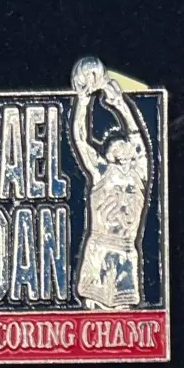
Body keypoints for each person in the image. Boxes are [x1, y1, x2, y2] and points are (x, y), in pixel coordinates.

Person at [70, 56, 152, 309]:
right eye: (116, 145)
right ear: (108, 154)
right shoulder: (102, 172)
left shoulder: (139, 174)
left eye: (125, 143)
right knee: (93, 312)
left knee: (123, 314)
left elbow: (137, 136)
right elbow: (81, 140)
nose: (123, 144)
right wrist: (83, 102)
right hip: (100, 249)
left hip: (126, 251)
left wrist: (119, 102)